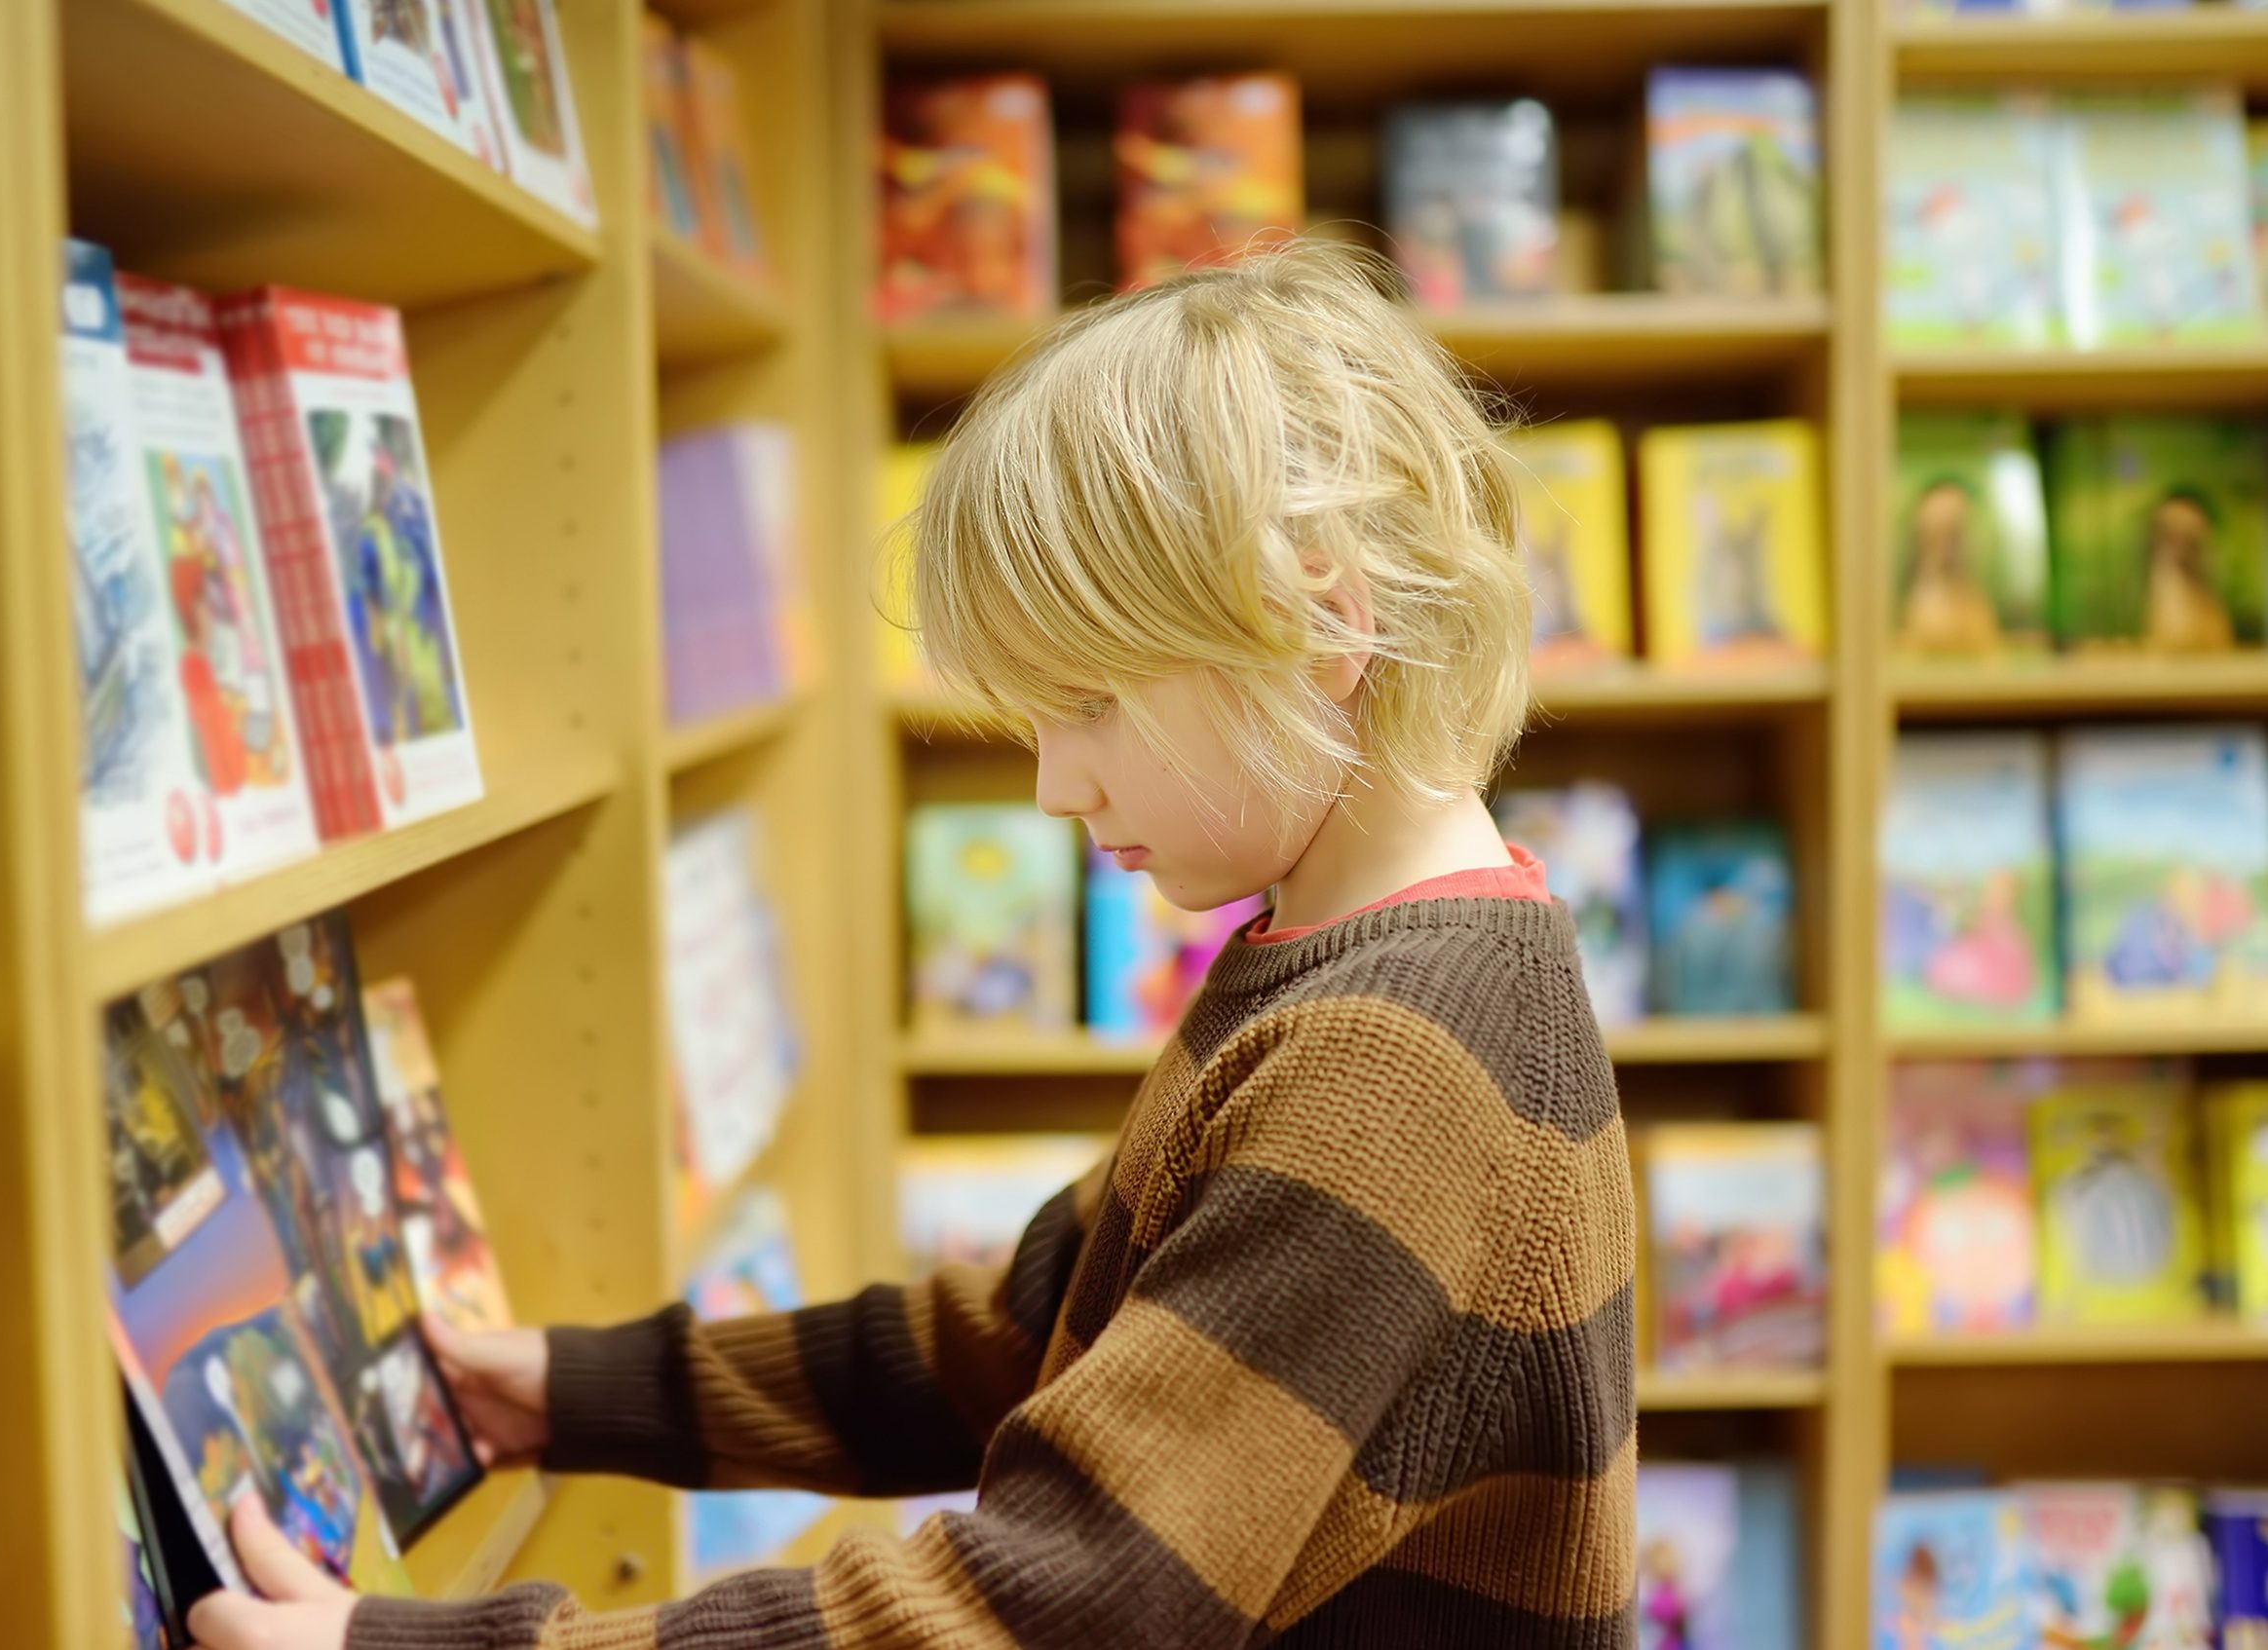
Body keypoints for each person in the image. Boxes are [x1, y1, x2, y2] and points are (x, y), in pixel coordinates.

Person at [191, 238, 1635, 1650]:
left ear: (1320, 623)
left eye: (1089, 704)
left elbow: (1054, 1604)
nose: (1054, 786)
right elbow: (1020, 1331)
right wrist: (574, 1391)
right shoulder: (1348, 964)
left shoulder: (1392, 1064)